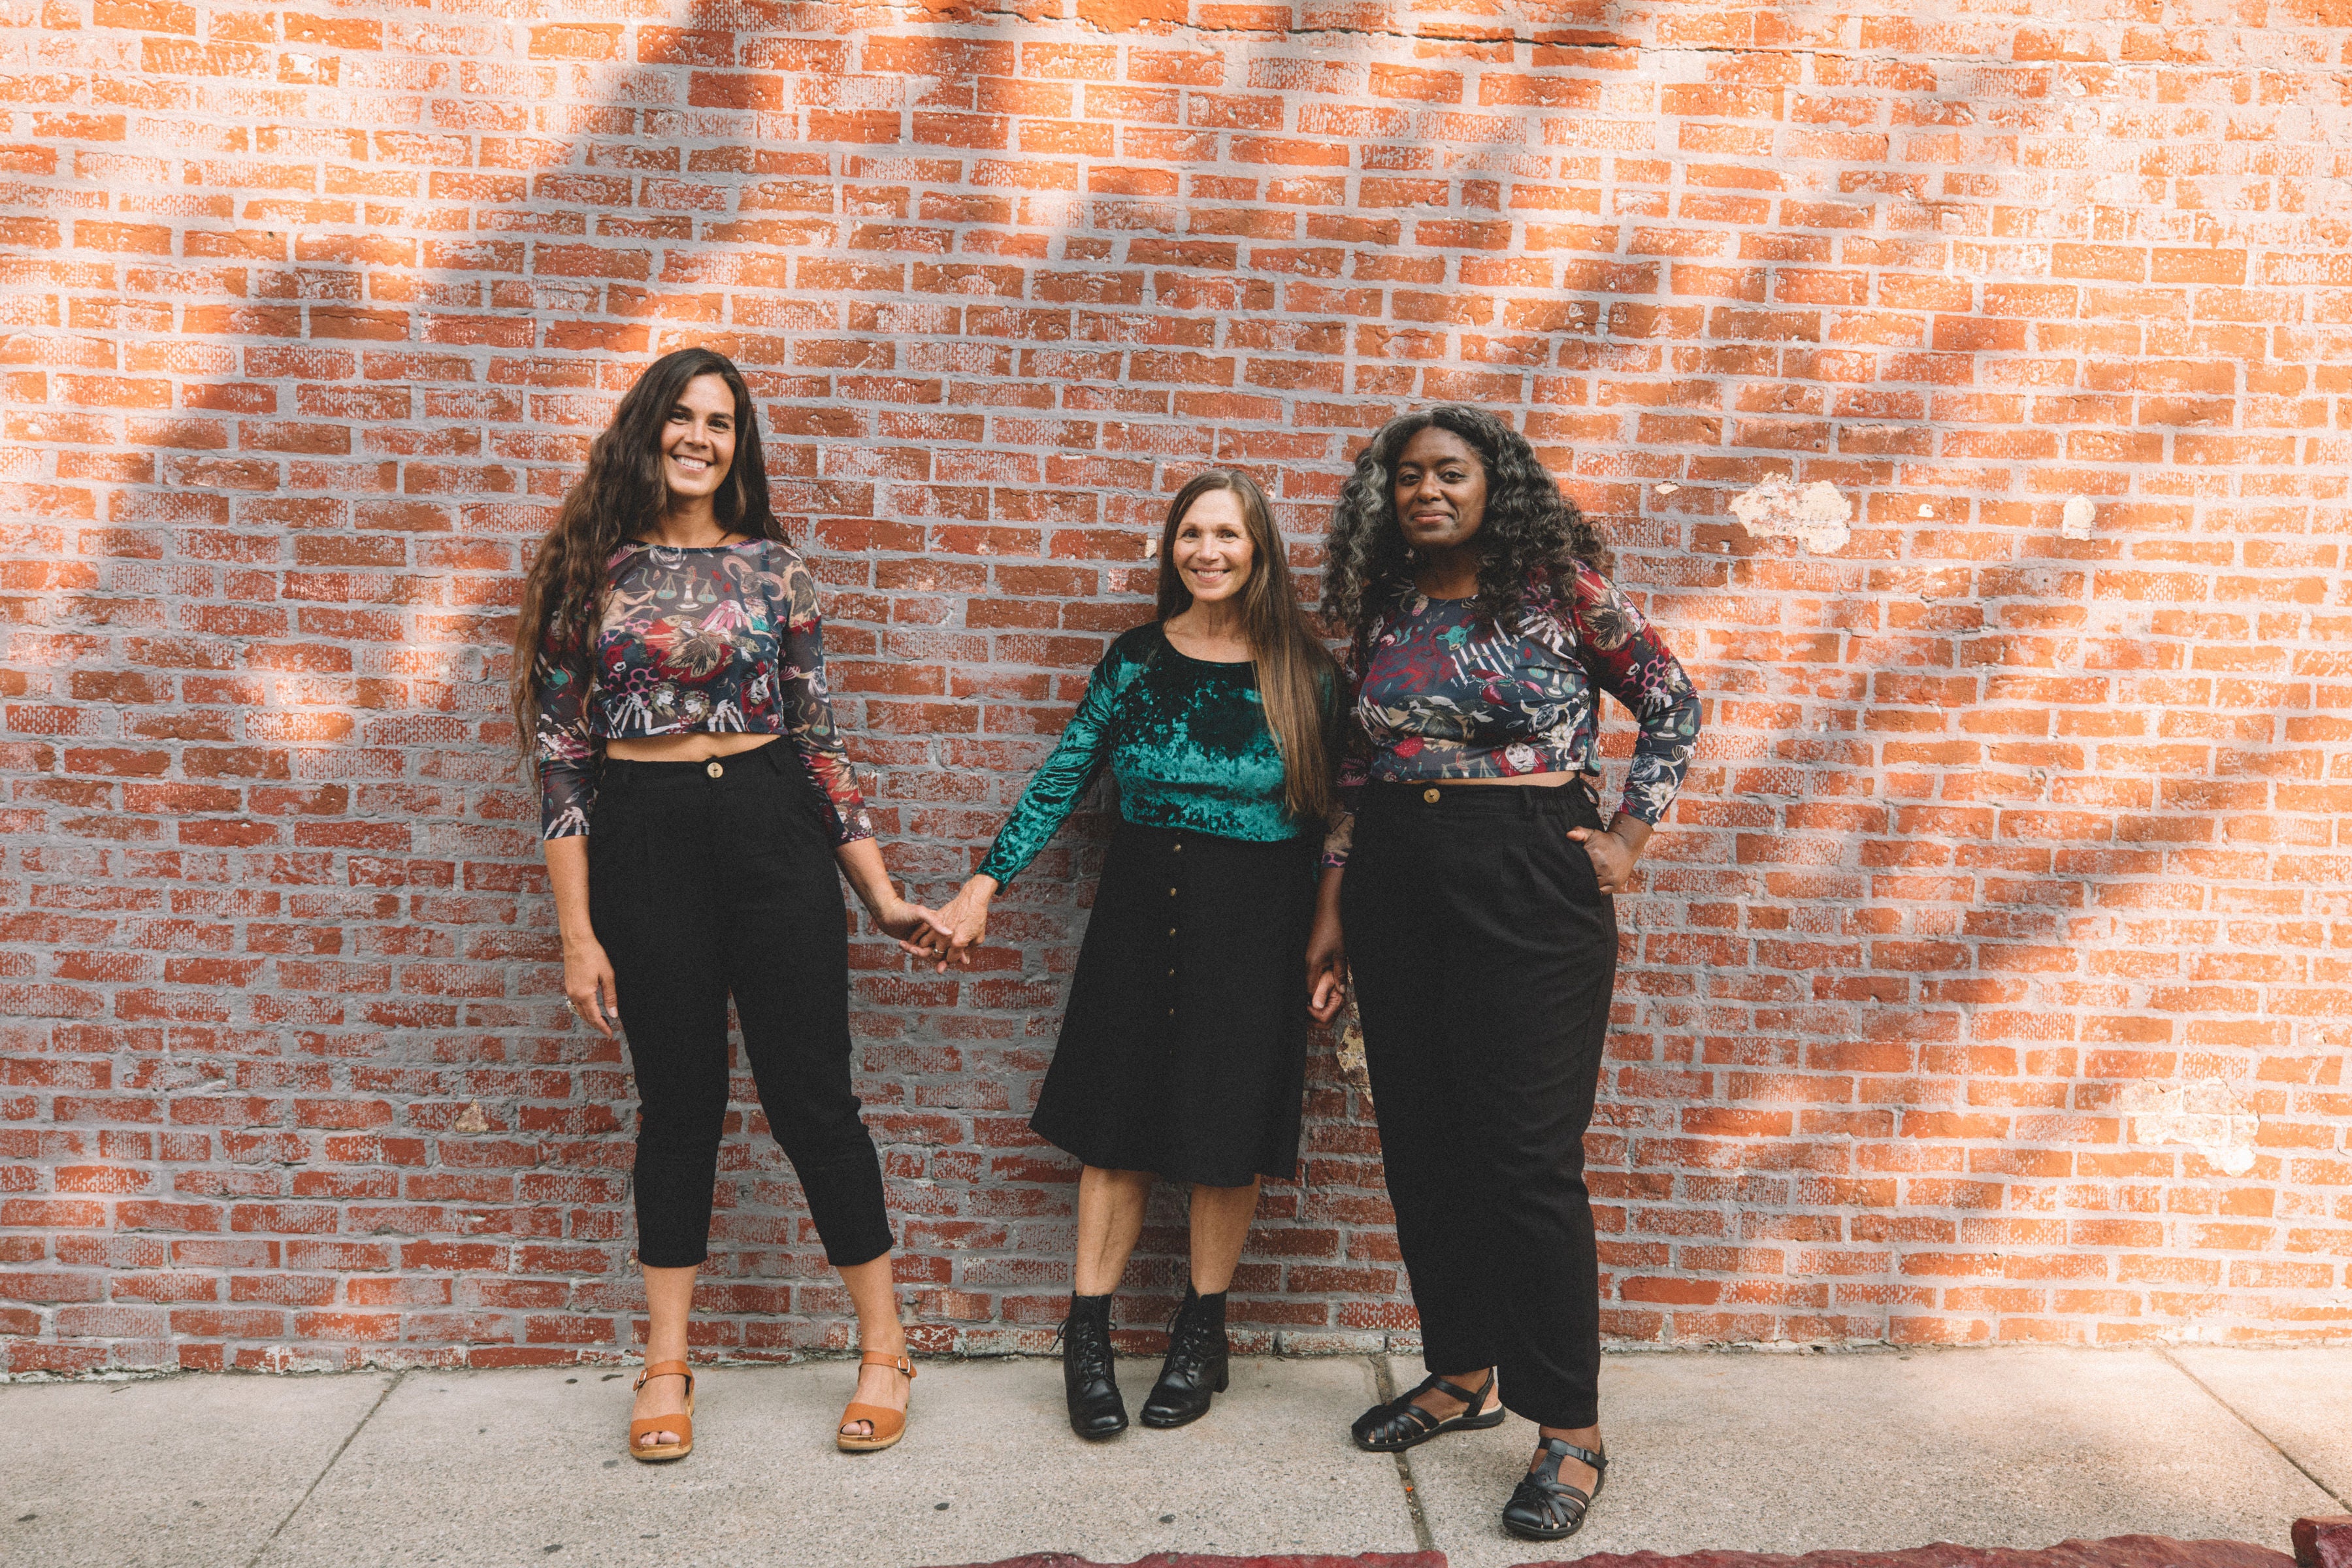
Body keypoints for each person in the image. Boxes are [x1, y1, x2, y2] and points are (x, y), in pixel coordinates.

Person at [511, 346, 949, 1462]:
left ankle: (886, 1345)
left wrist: (883, 892)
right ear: (648, 429)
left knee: (815, 1101)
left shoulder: (776, 572)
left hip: (770, 830)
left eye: (723, 423)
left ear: (737, 444)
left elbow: (818, 739)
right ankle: (666, 1364)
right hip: (645, 844)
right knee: (681, 1108)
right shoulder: (583, 572)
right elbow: (563, 760)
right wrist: (578, 933)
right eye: (684, 418)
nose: (702, 439)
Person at [1305, 406, 1700, 1541]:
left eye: (1448, 472)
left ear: (1495, 484)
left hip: (1528, 877)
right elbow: (1359, 765)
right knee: (1423, 1139)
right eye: (1406, 477)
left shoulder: (1560, 589)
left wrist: (1628, 839)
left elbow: (1671, 701)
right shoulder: (1388, 604)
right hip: (1396, 882)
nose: (1425, 490)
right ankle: (1461, 1370)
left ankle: (1569, 1430)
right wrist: (1333, 905)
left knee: (1526, 1160)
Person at [919, 470, 1338, 1439]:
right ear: (1172, 549)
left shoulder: (1306, 675)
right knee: (1116, 1130)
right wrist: (985, 885)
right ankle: (1090, 1334)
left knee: (1224, 1138)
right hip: (1141, 910)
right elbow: (1065, 771)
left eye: (1228, 534)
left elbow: (1341, 821)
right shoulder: (1137, 660)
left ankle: (1202, 1328)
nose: (1208, 551)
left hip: (1258, 923)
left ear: (1260, 550)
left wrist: (1332, 941)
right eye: (1191, 534)